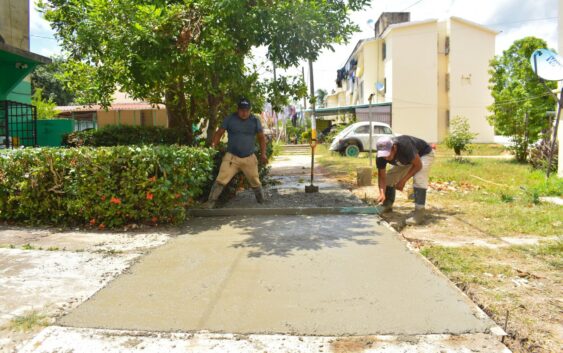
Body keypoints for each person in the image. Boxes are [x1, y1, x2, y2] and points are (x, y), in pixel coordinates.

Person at [203, 98, 267, 209]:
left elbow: (261, 138)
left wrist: (263, 154)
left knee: (255, 180)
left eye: (246, 110)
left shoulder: (255, 120)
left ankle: (262, 201)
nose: (244, 113)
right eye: (242, 110)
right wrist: (213, 145)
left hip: (249, 157)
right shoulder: (230, 119)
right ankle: (210, 202)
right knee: (221, 179)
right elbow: (219, 133)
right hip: (232, 157)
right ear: (238, 110)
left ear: (250, 110)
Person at [376, 135, 435, 225]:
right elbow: (382, 176)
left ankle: (419, 214)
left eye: (387, 154)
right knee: (390, 177)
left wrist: (403, 181)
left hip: (423, 154)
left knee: (419, 178)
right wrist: (382, 193)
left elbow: (418, 165)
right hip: (408, 159)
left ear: (394, 147)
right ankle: (387, 204)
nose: (385, 158)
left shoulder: (405, 145)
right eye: (383, 155)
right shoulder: (381, 156)